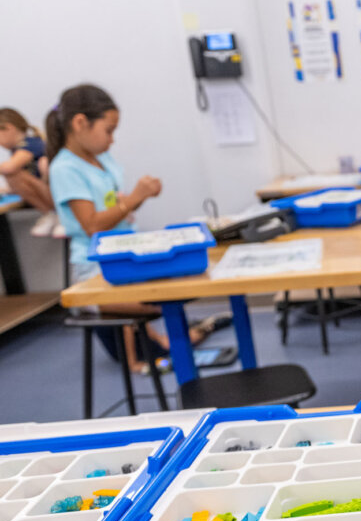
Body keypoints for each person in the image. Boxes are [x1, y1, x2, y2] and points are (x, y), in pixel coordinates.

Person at [47, 84, 227, 373]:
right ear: (80, 123)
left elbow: (114, 206)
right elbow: (92, 225)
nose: (112, 139)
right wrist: (135, 198)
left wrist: (133, 200)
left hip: (126, 254)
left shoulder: (101, 159)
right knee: (164, 298)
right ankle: (149, 353)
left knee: (186, 279)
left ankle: (169, 341)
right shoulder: (64, 169)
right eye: (108, 130)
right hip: (95, 268)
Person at [0, 107, 58, 237]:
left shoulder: (31, 144)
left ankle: (55, 213)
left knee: (13, 174)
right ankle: (52, 213)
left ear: (9, 128)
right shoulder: (18, 149)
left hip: (54, 195)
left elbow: (10, 168)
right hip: (46, 194)